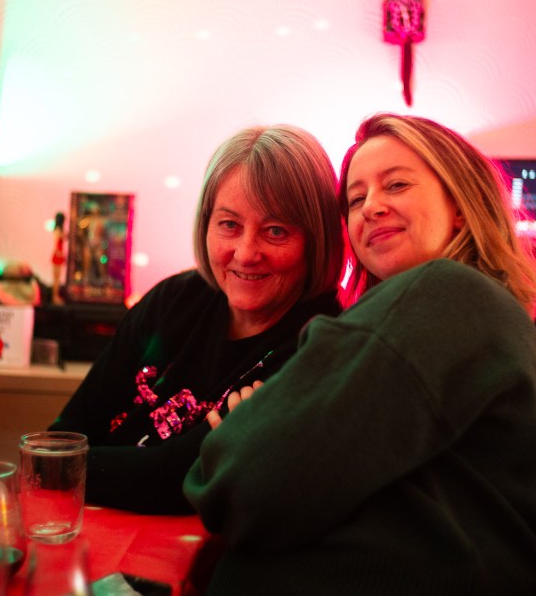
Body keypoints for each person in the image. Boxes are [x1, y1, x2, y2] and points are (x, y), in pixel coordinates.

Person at [184, 113, 536, 593]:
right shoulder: (472, 317)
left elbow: (240, 486)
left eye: (396, 185)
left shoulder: (444, 293)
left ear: (459, 205)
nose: (371, 207)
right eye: (356, 199)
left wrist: (241, 432)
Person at [48, 124, 344, 514]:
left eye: (275, 231)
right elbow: (62, 439)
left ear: (316, 238)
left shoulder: (321, 346)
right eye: (229, 225)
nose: (245, 253)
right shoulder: (175, 299)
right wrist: (60, 464)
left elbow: (174, 481)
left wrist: (69, 468)